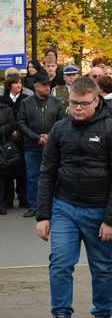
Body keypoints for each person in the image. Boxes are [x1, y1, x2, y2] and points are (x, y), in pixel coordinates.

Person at [35, 77, 112, 318]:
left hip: (99, 209)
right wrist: (44, 215)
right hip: (64, 207)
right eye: (74, 103)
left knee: (101, 266)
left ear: (96, 101)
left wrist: (111, 219)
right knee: (60, 264)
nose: (77, 108)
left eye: (84, 104)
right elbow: (47, 172)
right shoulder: (59, 129)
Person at [18, 79, 66, 217]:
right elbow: (21, 123)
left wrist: (50, 136)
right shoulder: (26, 103)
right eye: (44, 85)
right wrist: (36, 137)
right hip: (32, 146)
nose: (47, 88)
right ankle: (34, 206)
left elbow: (62, 121)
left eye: (48, 85)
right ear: (36, 87)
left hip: (53, 146)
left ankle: (55, 205)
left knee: (54, 175)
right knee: (33, 177)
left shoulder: (56, 102)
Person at [1, 76, 29, 209]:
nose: (19, 85)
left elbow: (26, 118)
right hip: (7, 140)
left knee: (22, 170)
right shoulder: (3, 100)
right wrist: (9, 131)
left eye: (20, 83)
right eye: (16, 83)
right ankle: (8, 199)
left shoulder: (26, 99)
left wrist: (20, 131)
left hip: (22, 139)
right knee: (7, 169)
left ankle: (23, 198)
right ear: (9, 85)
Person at [0, 94, 16, 214]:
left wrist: (1, 130)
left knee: (1, 178)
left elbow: (12, 124)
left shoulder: (6, 109)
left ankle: (2, 204)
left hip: (2, 145)